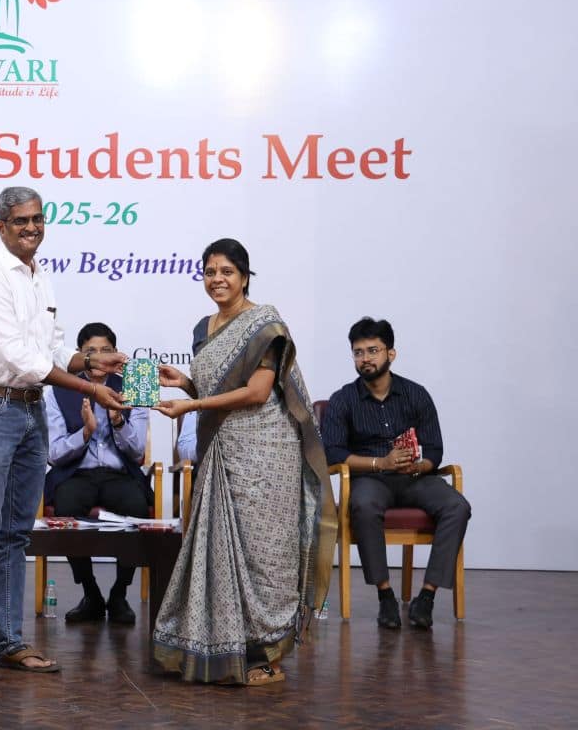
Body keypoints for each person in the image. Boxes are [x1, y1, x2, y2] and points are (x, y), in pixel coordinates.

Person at [0, 186, 128, 682]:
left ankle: (8, 642)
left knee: (16, 533)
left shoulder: (41, 277)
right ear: (1, 226)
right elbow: (19, 357)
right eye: (21, 220)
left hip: (29, 410)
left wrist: (93, 362)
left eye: (38, 219)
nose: (31, 228)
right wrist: (89, 385)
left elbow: (54, 349)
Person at [150, 238, 336, 686]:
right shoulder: (203, 327)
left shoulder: (265, 325)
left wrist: (192, 406)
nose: (217, 279)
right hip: (224, 447)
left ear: (245, 276)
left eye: (227, 271)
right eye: (210, 272)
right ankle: (222, 646)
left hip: (267, 451)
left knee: (263, 555)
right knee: (222, 550)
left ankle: (267, 655)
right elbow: (219, 390)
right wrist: (187, 384)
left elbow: (256, 392)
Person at [321, 317, 470, 630]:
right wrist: (381, 464)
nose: (365, 358)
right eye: (358, 352)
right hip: (370, 480)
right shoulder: (342, 400)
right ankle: (385, 595)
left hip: (415, 478)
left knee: (457, 506)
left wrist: (419, 466)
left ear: (391, 353)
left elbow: (434, 450)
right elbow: (333, 454)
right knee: (363, 505)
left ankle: (426, 596)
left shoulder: (416, 394)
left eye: (373, 350)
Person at [44, 322, 150, 625]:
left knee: (137, 507)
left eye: (107, 350)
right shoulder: (57, 390)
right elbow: (54, 454)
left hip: (120, 474)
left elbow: (137, 453)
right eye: (92, 352)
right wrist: (86, 432)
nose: (101, 357)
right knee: (65, 509)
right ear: (80, 355)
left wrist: (118, 422)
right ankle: (90, 592)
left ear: (116, 352)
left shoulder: (135, 384)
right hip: (76, 475)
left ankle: (119, 593)